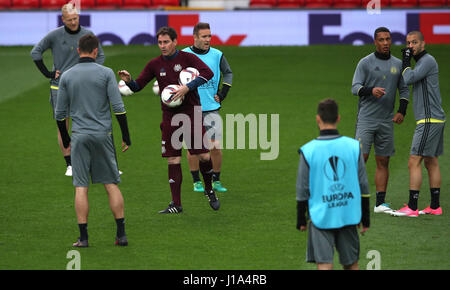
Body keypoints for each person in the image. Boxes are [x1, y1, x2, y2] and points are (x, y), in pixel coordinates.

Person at [117, 26, 220, 214]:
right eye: (160, 42)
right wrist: (129, 80)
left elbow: (208, 73)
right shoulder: (154, 64)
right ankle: (176, 204)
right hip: (170, 117)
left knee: (204, 156)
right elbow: (138, 86)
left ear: (175, 42)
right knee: (173, 159)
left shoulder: (187, 58)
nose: (162, 46)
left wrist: (187, 87)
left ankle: (209, 190)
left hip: (191, 113)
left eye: (166, 42)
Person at [55, 34, 131, 247]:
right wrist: (126, 136)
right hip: (103, 135)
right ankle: (121, 235)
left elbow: (60, 114)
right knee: (111, 184)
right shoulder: (106, 73)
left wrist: (68, 139)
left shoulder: (67, 77)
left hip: (79, 136)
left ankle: (84, 238)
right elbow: (119, 108)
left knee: (81, 187)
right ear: (96, 51)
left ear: (78, 51)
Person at [30, 2, 105, 177]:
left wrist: (91, 71)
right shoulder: (55, 35)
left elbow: (100, 55)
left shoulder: (88, 35)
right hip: (59, 87)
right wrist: (48, 73)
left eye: (75, 18)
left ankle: (91, 161)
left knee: (87, 122)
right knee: (62, 124)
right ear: (63, 19)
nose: (73, 22)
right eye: (70, 19)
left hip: (82, 87)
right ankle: (70, 164)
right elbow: (35, 52)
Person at [296, 99, 370, 270]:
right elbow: (363, 183)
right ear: (338, 118)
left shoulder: (308, 150)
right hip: (348, 214)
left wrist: (301, 218)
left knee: (324, 265)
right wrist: (365, 217)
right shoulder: (353, 147)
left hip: (321, 216)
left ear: (317, 119)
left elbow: (302, 189)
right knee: (351, 264)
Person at [351, 27, 410, 214]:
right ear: (375, 42)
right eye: (381, 40)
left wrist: (402, 111)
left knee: (383, 161)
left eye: (388, 39)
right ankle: (352, 199)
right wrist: (371, 90)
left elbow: (405, 90)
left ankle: (380, 203)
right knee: (361, 159)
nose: (385, 43)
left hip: (386, 121)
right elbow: (355, 87)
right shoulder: (365, 63)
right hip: (366, 119)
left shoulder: (398, 64)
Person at [391, 31, 445, 217]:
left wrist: (405, 62)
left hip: (429, 119)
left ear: (423, 43)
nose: (410, 46)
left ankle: (412, 207)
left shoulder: (427, 60)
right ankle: (435, 206)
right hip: (435, 118)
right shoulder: (423, 62)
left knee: (414, 160)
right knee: (431, 162)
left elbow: (409, 78)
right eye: (408, 43)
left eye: (414, 42)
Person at [182, 22, 233, 193]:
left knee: (215, 145)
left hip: (211, 107)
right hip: (190, 108)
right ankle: (197, 181)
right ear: (195, 37)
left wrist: (223, 92)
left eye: (209, 36)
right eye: (204, 36)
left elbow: (228, 72)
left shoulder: (217, 55)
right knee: (193, 147)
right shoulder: (183, 54)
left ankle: (216, 180)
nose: (208, 39)